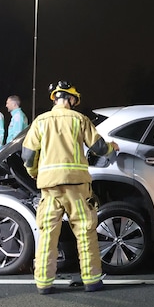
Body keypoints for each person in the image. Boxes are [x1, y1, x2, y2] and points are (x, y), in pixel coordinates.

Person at [22, 81, 119, 294]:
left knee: (48, 234)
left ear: (55, 99)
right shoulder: (79, 120)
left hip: (50, 187)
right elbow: (99, 147)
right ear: (72, 99)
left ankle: (44, 283)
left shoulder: (40, 121)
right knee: (85, 232)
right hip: (77, 186)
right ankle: (92, 280)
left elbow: (28, 156)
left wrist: (35, 173)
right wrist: (113, 149)